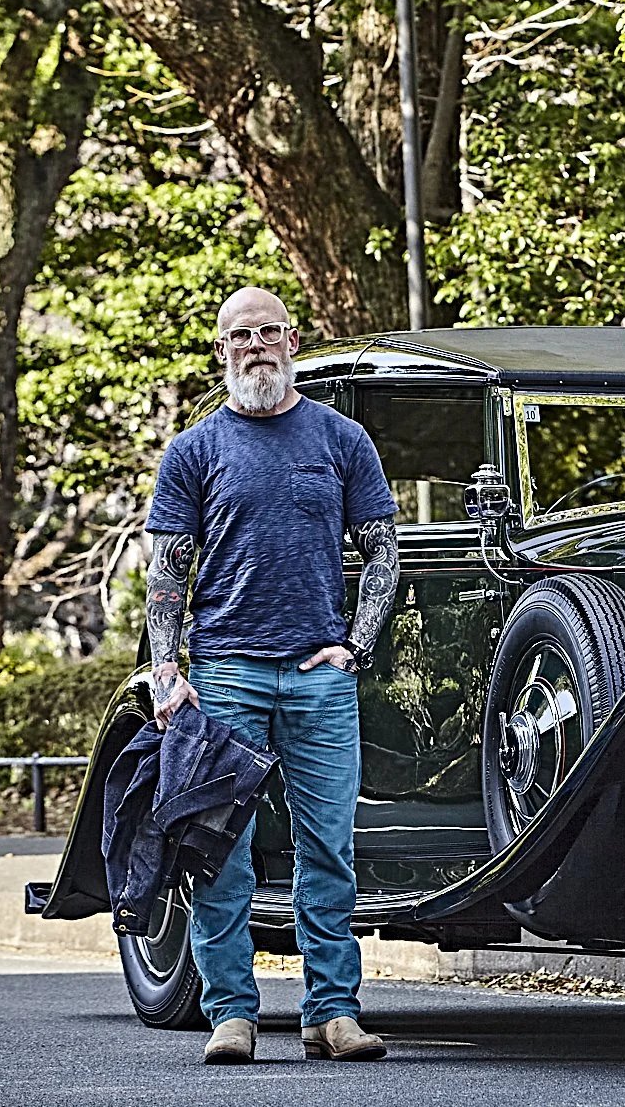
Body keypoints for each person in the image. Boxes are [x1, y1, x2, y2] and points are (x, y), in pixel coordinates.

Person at [144, 286, 400, 1065]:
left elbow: (383, 549)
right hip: (223, 675)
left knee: (330, 849)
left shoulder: (341, 437)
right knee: (221, 851)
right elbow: (166, 573)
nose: (254, 345)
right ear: (221, 350)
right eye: (238, 336)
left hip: (318, 674)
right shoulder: (193, 450)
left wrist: (354, 643)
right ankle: (231, 1013)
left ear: (292, 340)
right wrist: (165, 669)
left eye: (267, 332)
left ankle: (333, 1013)